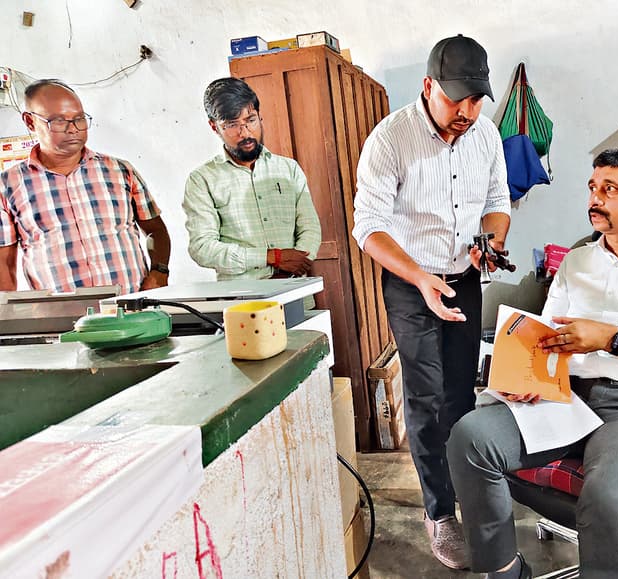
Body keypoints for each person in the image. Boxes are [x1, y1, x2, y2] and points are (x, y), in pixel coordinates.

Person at [446, 148, 618, 579]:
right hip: (567, 399)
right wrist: (528, 378)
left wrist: (614, 339)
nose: (595, 198)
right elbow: (548, 339)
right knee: (470, 437)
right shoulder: (576, 261)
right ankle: (505, 570)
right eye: (593, 188)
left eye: (610, 189)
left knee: (611, 498)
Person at [352, 34, 514, 570]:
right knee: (424, 397)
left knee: (460, 395)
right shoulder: (390, 139)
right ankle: (439, 512)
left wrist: (491, 241)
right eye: (456, 99)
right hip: (410, 283)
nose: (467, 112)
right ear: (428, 86)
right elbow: (368, 227)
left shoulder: (485, 134)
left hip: (463, 278)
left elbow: (497, 201)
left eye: (476, 100)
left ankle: (465, 488)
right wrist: (420, 278)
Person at [0, 79, 171, 294]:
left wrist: (159, 272)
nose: (73, 129)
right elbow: (4, 264)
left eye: (79, 119)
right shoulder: (8, 185)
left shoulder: (120, 171)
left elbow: (156, 230)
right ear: (30, 122)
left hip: (130, 304)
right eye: (59, 121)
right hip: (59, 311)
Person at [183, 77, 321, 281]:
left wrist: (288, 273)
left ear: (259, 116)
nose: (245, 132)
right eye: (232, 124)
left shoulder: (288, 169)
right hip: (242, 296)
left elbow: (310, 229)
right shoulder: (202, 180)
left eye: (250, 120)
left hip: (295, 289)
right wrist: (271, 258)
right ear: (214, 127)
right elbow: (202, 248)